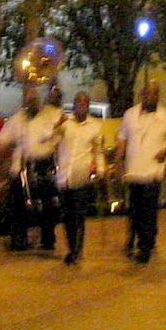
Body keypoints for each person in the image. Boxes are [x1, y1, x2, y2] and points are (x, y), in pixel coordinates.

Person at [115, 79, 166, 263]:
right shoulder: (130, 115)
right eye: (148, 93)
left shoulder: (165, 116)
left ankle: (145, 247)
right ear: (141, 95)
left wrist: (165, 151)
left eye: (155, 93)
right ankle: (135, 239)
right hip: (133, 171)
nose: (151, 97)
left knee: (148, 211)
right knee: (134, 210)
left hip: (152, 172)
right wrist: (118, 159)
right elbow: (122, 138)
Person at [0, 84, 63, 251]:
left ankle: (47, 238)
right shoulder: (17, 119)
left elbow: (61, 135)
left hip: (43, 165)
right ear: (25, 100)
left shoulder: (50, 116)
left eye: (34, 99)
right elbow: (1, 142)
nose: (32, 102)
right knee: (18, 205)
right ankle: (19, 237)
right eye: (29, 99)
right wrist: (1, 151)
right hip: (21, 167)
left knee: (49, 204)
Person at [53, 91, 103, 265]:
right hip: (65, 176)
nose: (81, 106)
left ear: (88, 106)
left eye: (84, 103)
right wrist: (55, 126)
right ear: (73, 105)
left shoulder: (95, 126)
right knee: (67, 216)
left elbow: (98, 150)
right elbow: (50, 141)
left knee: (78, 215)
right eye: (78, 102)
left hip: (82, 177)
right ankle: (71, 246)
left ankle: (76, 250)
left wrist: (100, 170)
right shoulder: (65, 123)